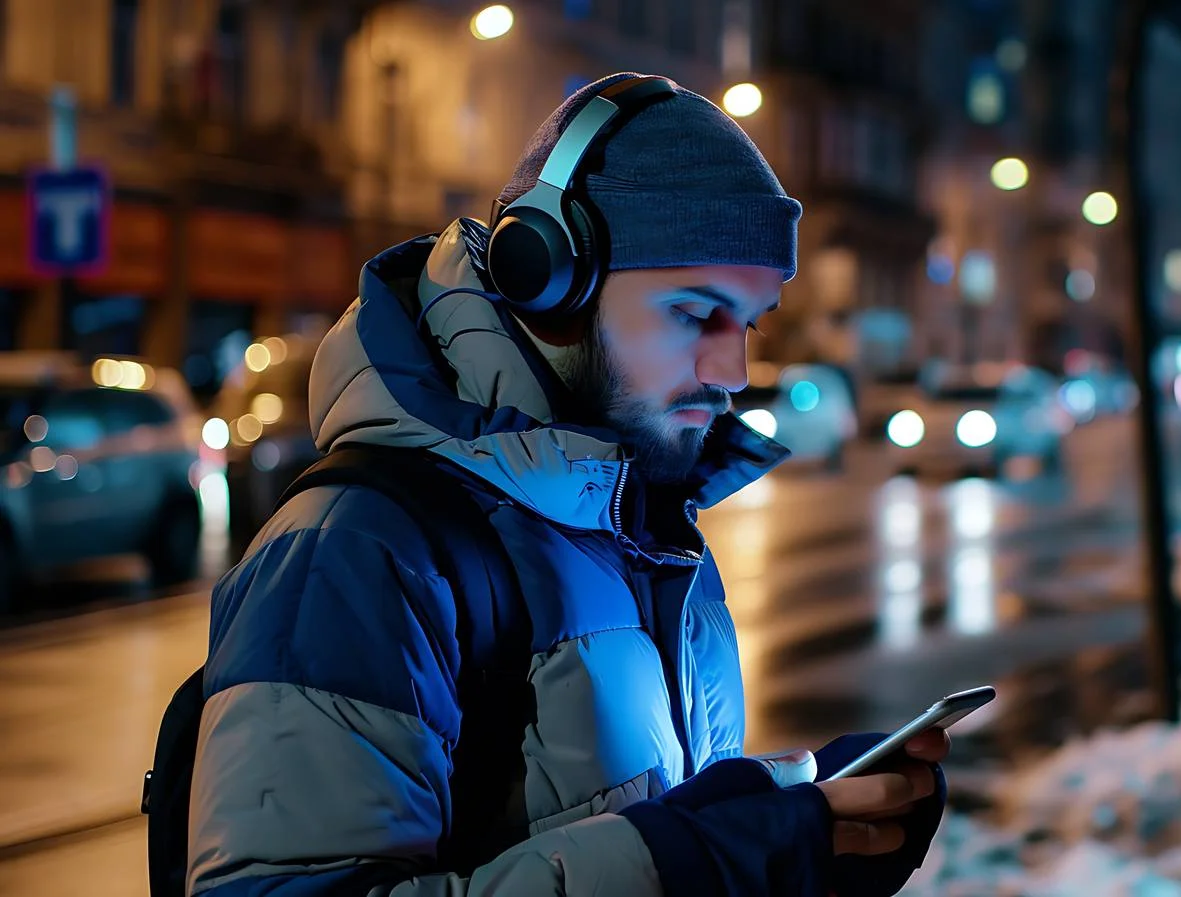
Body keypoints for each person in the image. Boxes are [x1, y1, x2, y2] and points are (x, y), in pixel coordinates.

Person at [185, 73, 948, 897]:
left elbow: (629, 830)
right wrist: (695, 865)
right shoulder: (355, 552)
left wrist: (795, 827)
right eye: (696, 314)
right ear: (546, 280)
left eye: (749, 323)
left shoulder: (635, 524)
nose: (733, 372)